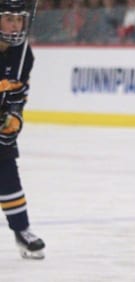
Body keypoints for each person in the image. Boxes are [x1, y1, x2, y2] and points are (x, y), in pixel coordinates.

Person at [0, 0, 44, 260]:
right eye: (8, 18)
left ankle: (22, 230)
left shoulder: (24, 54)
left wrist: (14, 117)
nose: (15, 25)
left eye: (19, 20)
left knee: (7, 170)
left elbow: (18, 92)